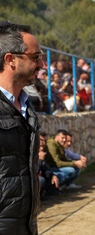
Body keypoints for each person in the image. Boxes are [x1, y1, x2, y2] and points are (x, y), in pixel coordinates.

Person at [0, 21, 45, 234]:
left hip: (26, 225)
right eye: (35, 57)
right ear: (11, 60)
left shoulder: (27, 106)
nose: (41, 64)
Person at [38, 133, 60, 200]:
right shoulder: (29, 154)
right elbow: (32, 172)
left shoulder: (42, 153)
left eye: (44, 141)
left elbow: (46, 169)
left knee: (55, 177)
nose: (43, 143)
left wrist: (53, 175)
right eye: (41, 140)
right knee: (41, 180)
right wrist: (39, 161)